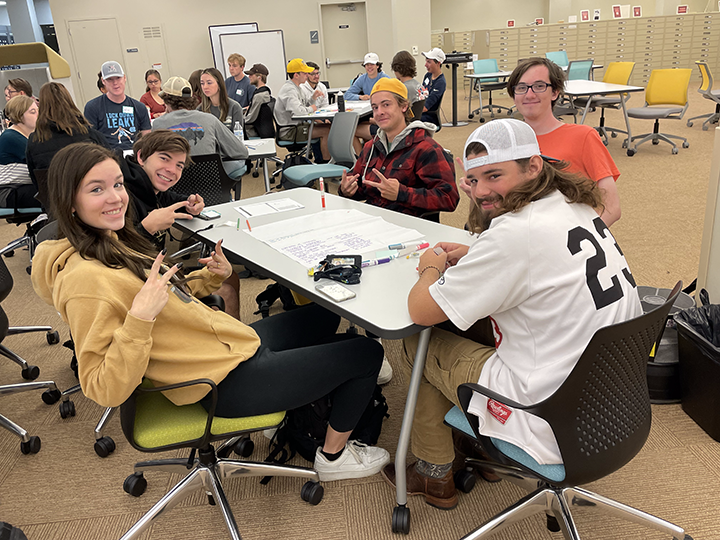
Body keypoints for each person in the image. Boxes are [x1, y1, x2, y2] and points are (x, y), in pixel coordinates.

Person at [31, 141, 391, 481]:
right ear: (70, 201)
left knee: (324, 315)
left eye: (118, 184)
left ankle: (293, 401)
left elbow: (168, 301)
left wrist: (205, 278)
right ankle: (333, 458)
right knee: (367, 353)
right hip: (217, 383)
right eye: (97, 189)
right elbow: (102, 388)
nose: (116, 198)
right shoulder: (85, 282)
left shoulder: (108, 240)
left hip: (218, 346)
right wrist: (140, 320)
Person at [379, 119, 641, 510]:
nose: (481, 191)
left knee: (421, 338)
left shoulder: (516, 234)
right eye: (473, 180)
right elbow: (542, 264)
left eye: (494, 175)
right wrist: (478, 257)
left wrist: (431, 265)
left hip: (546, 414)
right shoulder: (576, 204)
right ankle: (480, 455)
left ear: (532, 166)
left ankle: (434, 473)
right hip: (613, 400)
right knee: (471, 327)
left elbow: (421, 309)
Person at [505, 57, 622, 226]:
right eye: (521, 88)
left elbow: (611, 208)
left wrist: (581, 242)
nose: (529, 94)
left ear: (555, 92)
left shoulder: (583, 137)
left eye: (539, 86)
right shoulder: (507, 142)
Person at [338, 78, 458, 218]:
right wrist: (346, 190)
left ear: (404, 106)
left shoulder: (426, 149)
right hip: (372, 222)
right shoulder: (370, 147)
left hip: (408, 227)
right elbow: (362, 188)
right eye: (375, 107)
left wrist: (402, 194)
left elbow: (448, 198)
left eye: (386, 105)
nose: (379, 112)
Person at [153, 76, 248, 181]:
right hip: (211, 187)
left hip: (175, 188)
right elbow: (241, 151)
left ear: (166, 100)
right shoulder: (210, 120)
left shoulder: (158, 124)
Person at [26, 82, 108, 193]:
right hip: (89, 199)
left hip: (54, 203)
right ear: (69, 101)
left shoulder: (34, 141)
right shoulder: (90, 135)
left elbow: (36, 181)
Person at [84, 61, 151, 151]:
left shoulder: (139, 107)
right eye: (110, 79)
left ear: (124, 78)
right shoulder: (92, 107)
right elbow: (89, 139)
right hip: (107, 156)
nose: (115, 82)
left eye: (118, 78)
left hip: (134, 155)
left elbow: (147, 138)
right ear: (103, 81)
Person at [274, 58, 331, 161]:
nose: (307, 75)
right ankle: (325, 163)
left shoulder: (297, 87)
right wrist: (312, 108)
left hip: (297, 127)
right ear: (296, 75)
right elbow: (299, 112)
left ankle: (324, 160)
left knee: (327, 126)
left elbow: (304, 105)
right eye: (305, 73)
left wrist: (313, 98)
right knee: (326, 130)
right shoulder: (289, 90)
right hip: (290, 131)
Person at [0, 96, 38, 208]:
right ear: (20, 116)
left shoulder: (30, 136)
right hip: (9, 192)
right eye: (33, 112)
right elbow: (39, 161)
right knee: (58, 196)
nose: (38, 115)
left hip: (21, 187)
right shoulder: (11, 137)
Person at [199, 67, 244, 133]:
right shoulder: (199, 110)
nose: (205, 87)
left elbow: (237, 136)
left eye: (209, 83)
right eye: (202, 83)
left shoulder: (234, 107)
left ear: (219, 84)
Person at [244, 63, 274, 139]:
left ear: (259, 77)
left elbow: (250, 118)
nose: (249, 77)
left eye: (251, 75)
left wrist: (238, 119)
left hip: (255, 133)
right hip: (265, 132)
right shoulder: (265, 93)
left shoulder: (259, 96)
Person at [419, 48, 447, 128]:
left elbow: (425, 107)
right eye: (426, 61)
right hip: (421, 112)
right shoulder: (428, 75)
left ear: (438, 63)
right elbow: (421, 94)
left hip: (429, 117)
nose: (425, 65)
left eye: (429, 62)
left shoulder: (440, 82)